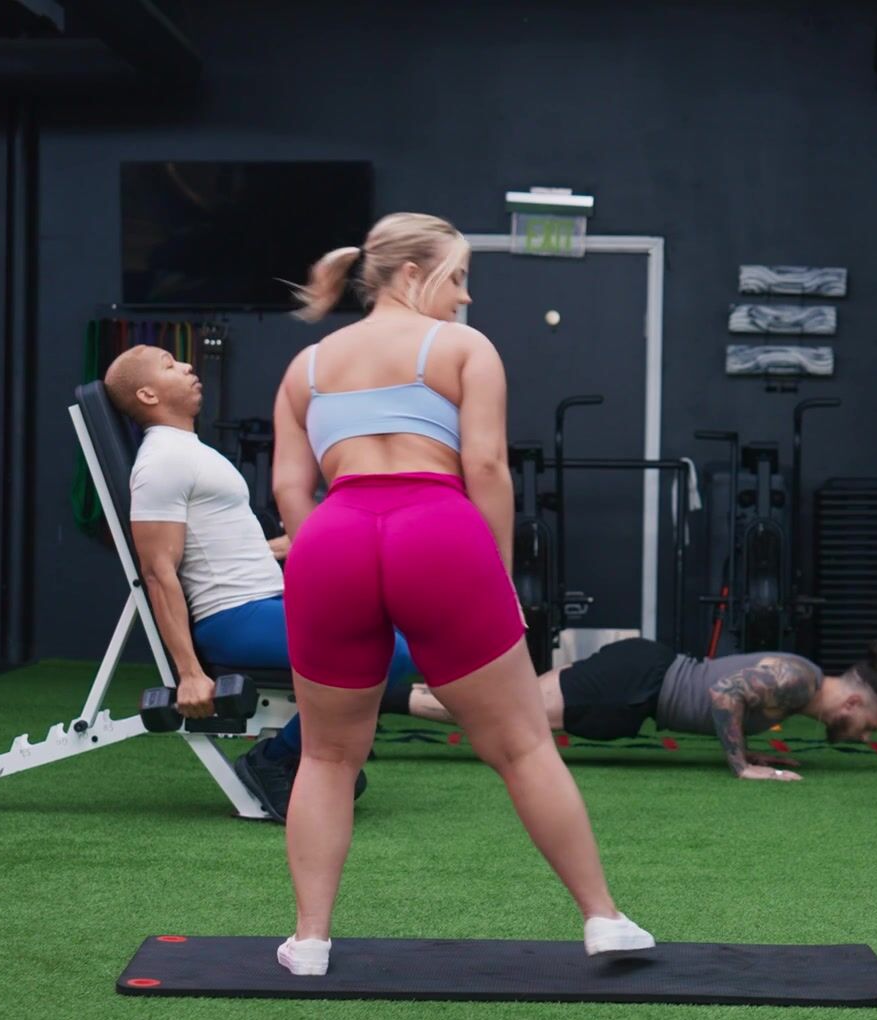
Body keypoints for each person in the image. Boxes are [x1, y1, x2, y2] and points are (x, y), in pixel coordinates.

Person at [270, 211, 652, 976]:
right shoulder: (462, 348)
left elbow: (288, 487)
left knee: (327, 753)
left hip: (333, 539)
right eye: (460, 277)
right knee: (522, 743)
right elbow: (484, 468)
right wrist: (497, 574)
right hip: (436, 532)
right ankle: (603, 919)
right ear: (414, 274)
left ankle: (309, 941)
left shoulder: (305, 367)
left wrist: (324, 554)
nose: (467, 297)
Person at [102, 344, 418, 821]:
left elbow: (216, 547)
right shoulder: (161, 461)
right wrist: (190, 673)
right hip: (233, 618)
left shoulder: (189, 451)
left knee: (394, 636)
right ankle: (275, 760)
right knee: (388, 652)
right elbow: (157, 572)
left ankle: (308, 755)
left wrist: (292, 544)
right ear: (147, 394)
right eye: (170, 365)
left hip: (264, 601)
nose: (187, 366)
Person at [393, 639, 877, 781]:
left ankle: (386, 697)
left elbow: (735, 696)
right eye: (867, 727)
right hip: (636, 685)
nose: (861, 736)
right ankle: (382, 702)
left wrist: (753, 752)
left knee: (506, 704)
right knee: (508, 717)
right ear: (854, 701)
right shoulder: (801, 679)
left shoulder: (801, 686)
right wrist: (741, 766)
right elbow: (725, 693)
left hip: (640, 677)